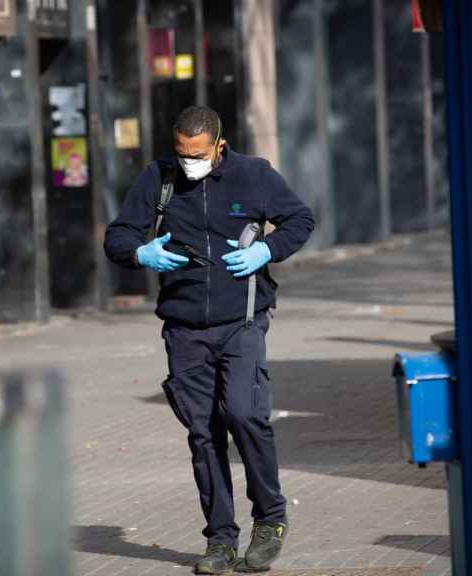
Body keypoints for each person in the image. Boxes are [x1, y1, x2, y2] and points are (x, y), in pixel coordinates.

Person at [104, 106, 314, 574]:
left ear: (219, 146)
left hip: (241, 320)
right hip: (183, 328)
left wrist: (267, 249)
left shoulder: (253, 175)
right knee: (203, 434)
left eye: (197, 155)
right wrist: (140, 252)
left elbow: (300, 220)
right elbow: (117, 236)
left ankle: (270, 519)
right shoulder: (158, 177)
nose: (188, 163)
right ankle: (220, 539)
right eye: (181, 154)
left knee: (243, 413)